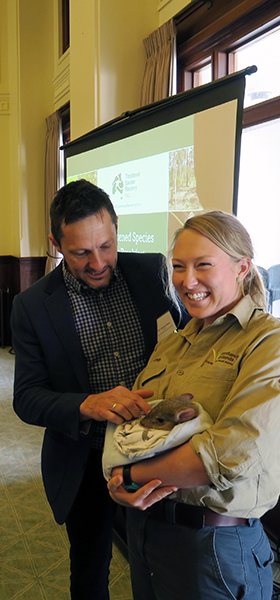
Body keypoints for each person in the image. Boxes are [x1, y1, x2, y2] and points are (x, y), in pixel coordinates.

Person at [11, 179, 185, 600]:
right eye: (81, 252)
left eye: (106, 246)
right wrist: (87, 405)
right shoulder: (33, 305)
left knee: (166, 561)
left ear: (116, 229)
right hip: (86, 459)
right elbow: (27, 397)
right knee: (90, 571)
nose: (98, 262)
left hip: (162, 449)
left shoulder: (149, 271)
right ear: (56, 243)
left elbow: (184, 345)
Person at [107, 211, 280, 600]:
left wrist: (129, 474)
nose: (187, 281)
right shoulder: (175, 342)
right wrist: (118, 483)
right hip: (147, 530)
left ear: (242, 267)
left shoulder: (268, 343)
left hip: (214, 546)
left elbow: (234, 451)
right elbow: (138, 425)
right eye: (179, 267)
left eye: (203, 265)